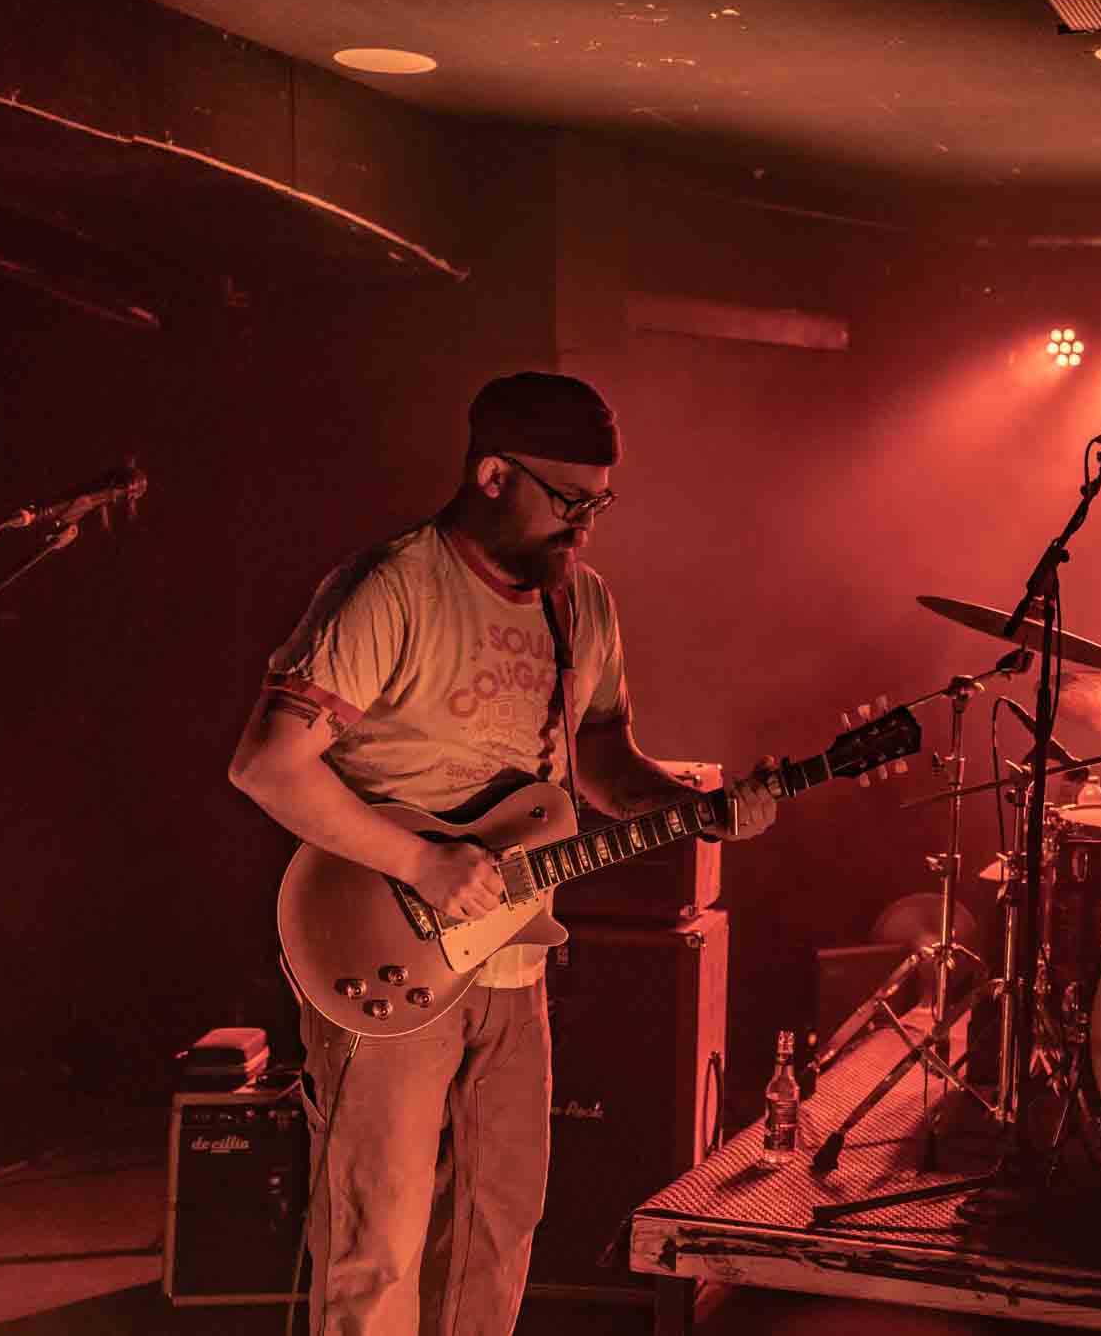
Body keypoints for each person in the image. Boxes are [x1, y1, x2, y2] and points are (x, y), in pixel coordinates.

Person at [227, 371, 780, 1336]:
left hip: (513, 959)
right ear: (492, 475)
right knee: (377, 1239)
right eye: (568, 501)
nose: (585, 527)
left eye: (599, 504)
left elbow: (602, 760)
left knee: (499, 1226)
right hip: (381, 946)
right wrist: (421, 862)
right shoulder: (392, 587)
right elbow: (267, 766)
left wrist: (697, 810)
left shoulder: (582, 604)